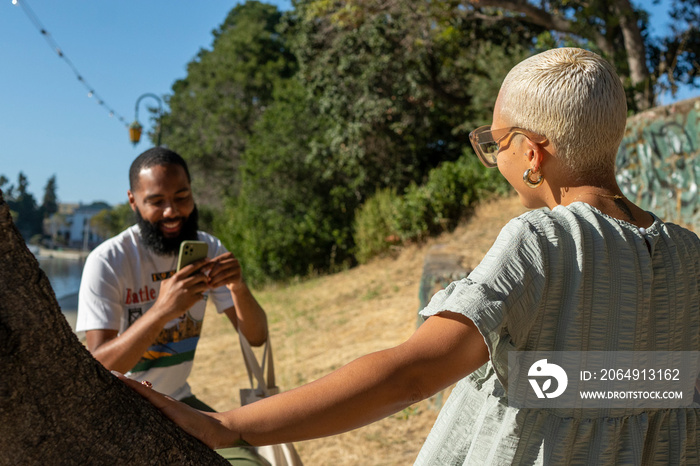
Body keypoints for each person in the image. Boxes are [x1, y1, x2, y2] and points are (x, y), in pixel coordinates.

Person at [118, 48, 700, 464]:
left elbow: (413, 373)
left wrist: (224, 426)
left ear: (531, 152)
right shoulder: (688, 255)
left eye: (493, 143)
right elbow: (642, 387)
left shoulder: (542, 241)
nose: (491, 157)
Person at [77, 147, 268, 413]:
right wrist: (162, 310)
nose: (172, 212)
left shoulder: (208, 247)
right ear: (133, 201)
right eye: (156, 202)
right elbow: (99, 368)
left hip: (178, 400)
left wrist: (238, 286)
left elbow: (257, 338)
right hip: (123, 407)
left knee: (245, 456)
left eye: (182, 196)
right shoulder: (109, 260)